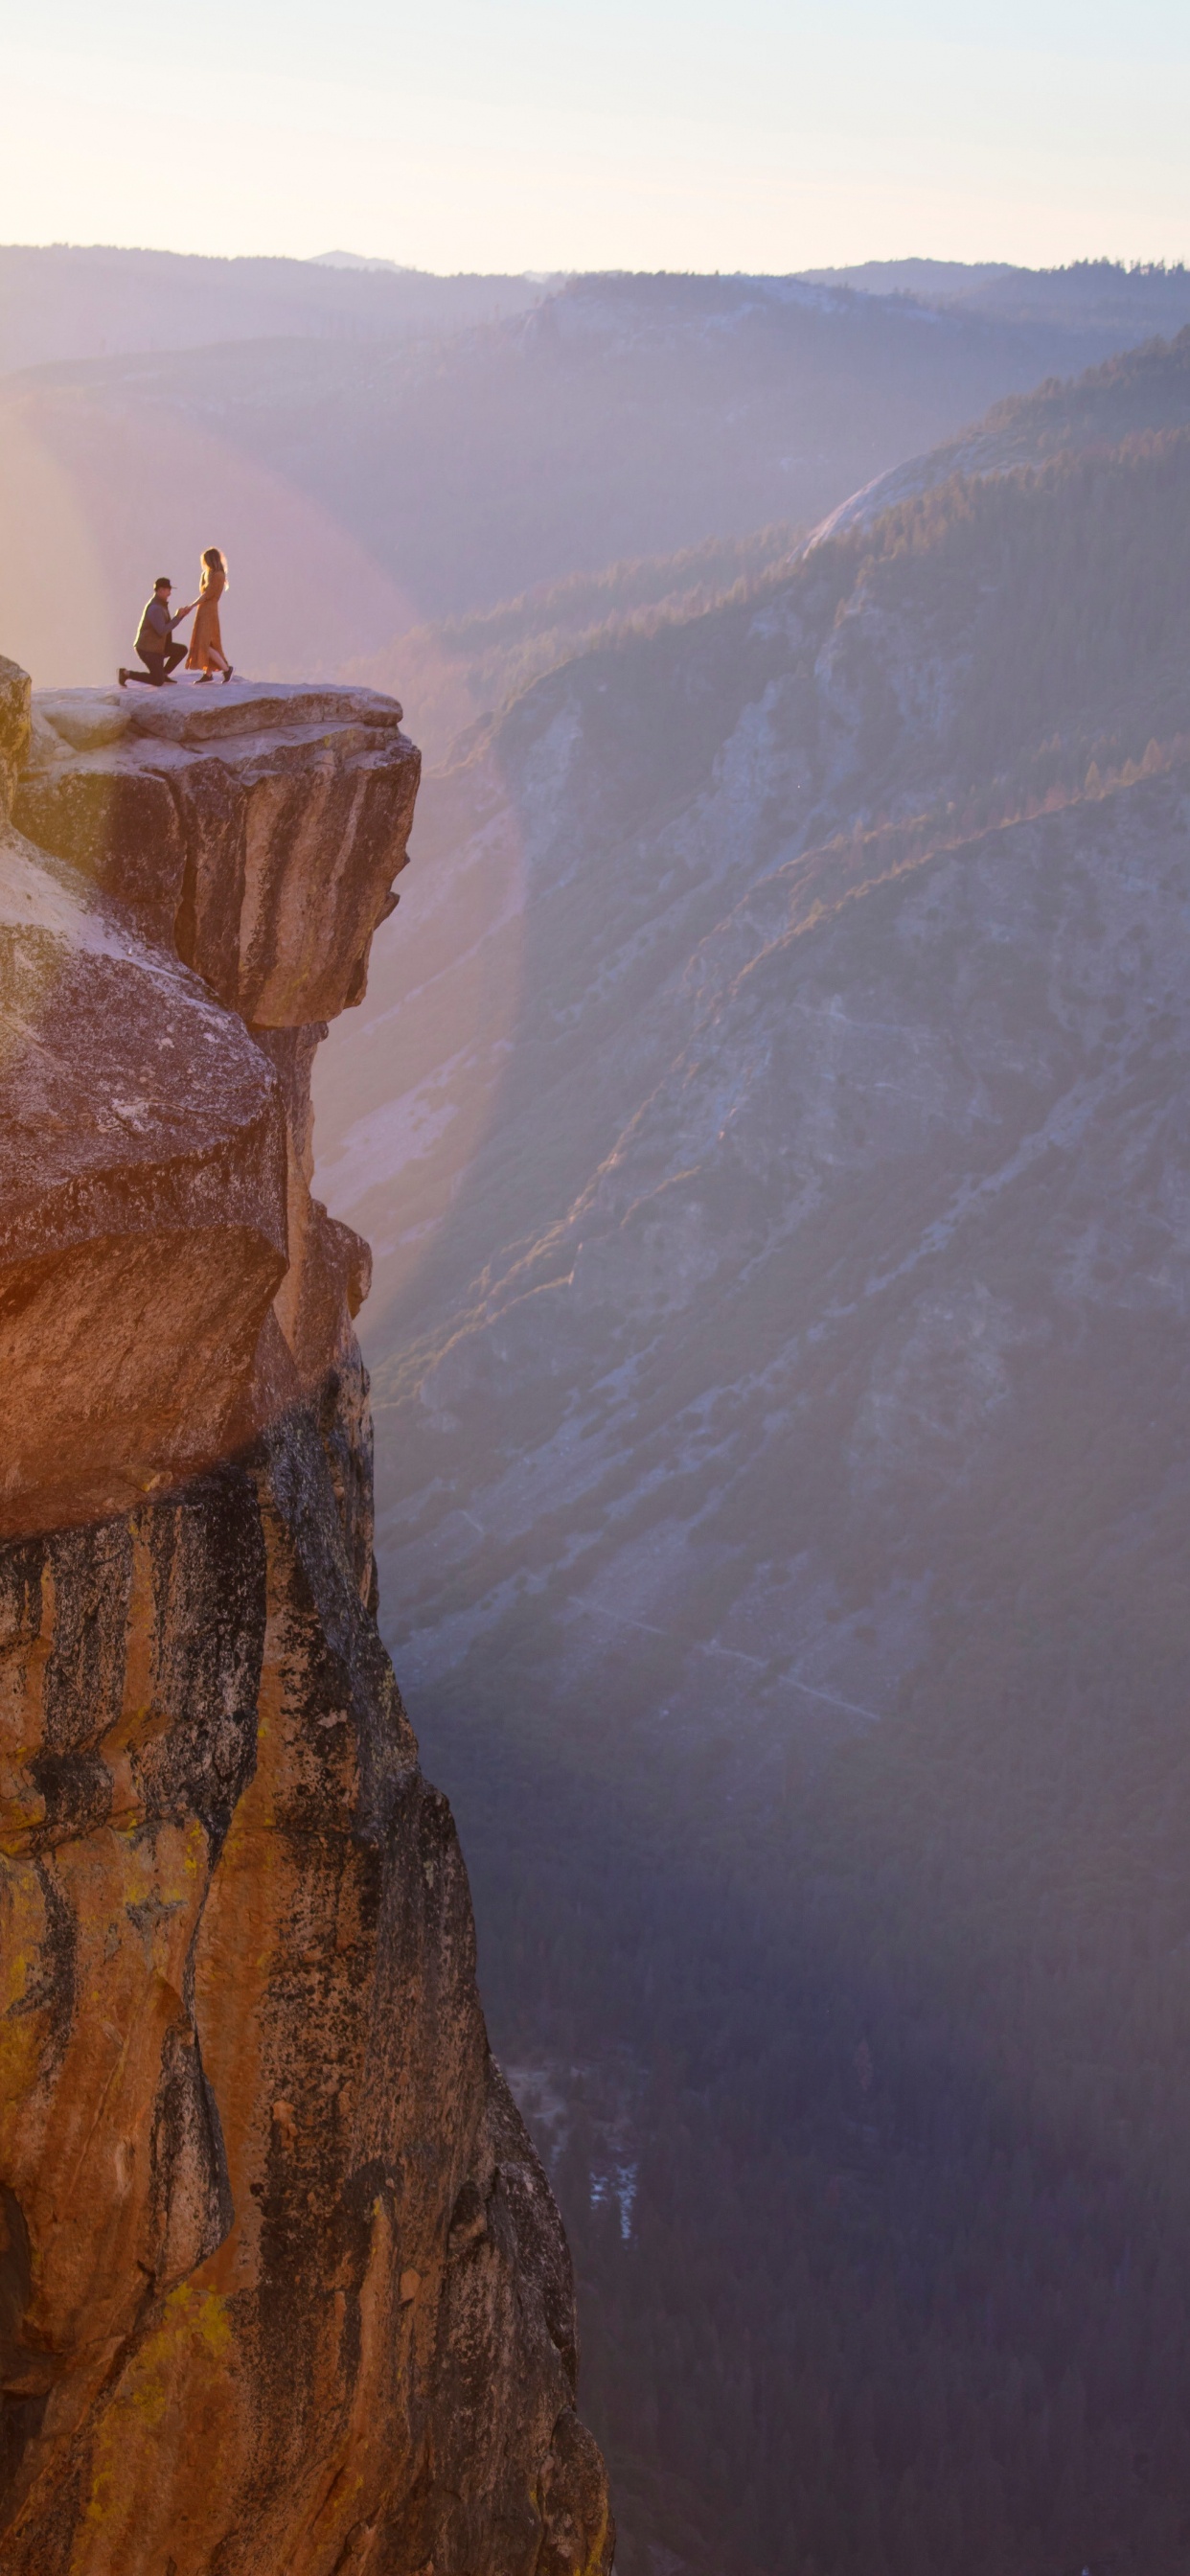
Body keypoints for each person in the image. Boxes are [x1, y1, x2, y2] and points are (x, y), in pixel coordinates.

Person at [119, 577, 198, 687]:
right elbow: (162, 631)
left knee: (181, 650)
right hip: (148, 650)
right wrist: (177, 617)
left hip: (158, 646)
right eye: (168, 590)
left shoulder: (161, 605)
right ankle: (126, 674)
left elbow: (164, 627)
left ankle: (163, 673)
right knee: (158, 681)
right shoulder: (155, 608)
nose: (170, 593)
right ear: (160, 590)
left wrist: (180, 616)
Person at [186, 547, 234, 683]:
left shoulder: (218, 575)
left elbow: (207, 595)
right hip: (204, 610)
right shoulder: (208, 574)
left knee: (205, 643)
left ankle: (226, 669)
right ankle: (208, 674)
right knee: (207, 642)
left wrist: (191, 606)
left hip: (209, 611)